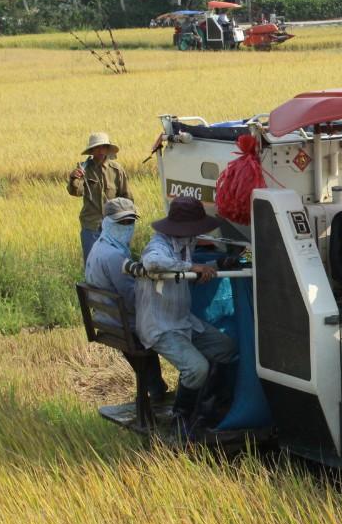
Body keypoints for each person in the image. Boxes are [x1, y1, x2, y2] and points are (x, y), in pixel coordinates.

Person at [136, 196, 238, 431]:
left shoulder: (185, 243)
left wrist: (220, 263)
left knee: (227, 349)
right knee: (197, 368)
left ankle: (207, 409)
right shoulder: (158, 245)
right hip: (161, 325)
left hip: (183, 321)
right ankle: (180, 417)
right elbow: (152, 262)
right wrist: (192, 268)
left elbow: (196, 268)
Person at [85, 197, 170, 400]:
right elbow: (132, 300)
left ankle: (155, 386)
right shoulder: (114, 256)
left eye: (130, 222)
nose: (126, 227)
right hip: (121, 325)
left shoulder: (100, 246)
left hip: (108, 320)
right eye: (121, 222)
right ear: (106, 222)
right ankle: (159, 389)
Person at [67, 132, 130, 265]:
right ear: (92, 150)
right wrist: (74, 178)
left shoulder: (117, 170)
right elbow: (76, 192)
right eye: (97, 147)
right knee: (92, 265)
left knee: (115, 265)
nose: (101, 151)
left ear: (108, 149)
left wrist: (125, 224)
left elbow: (127, 198)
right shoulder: (84, 169)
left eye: (104, 147)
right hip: (91, 226)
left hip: (113, 227)